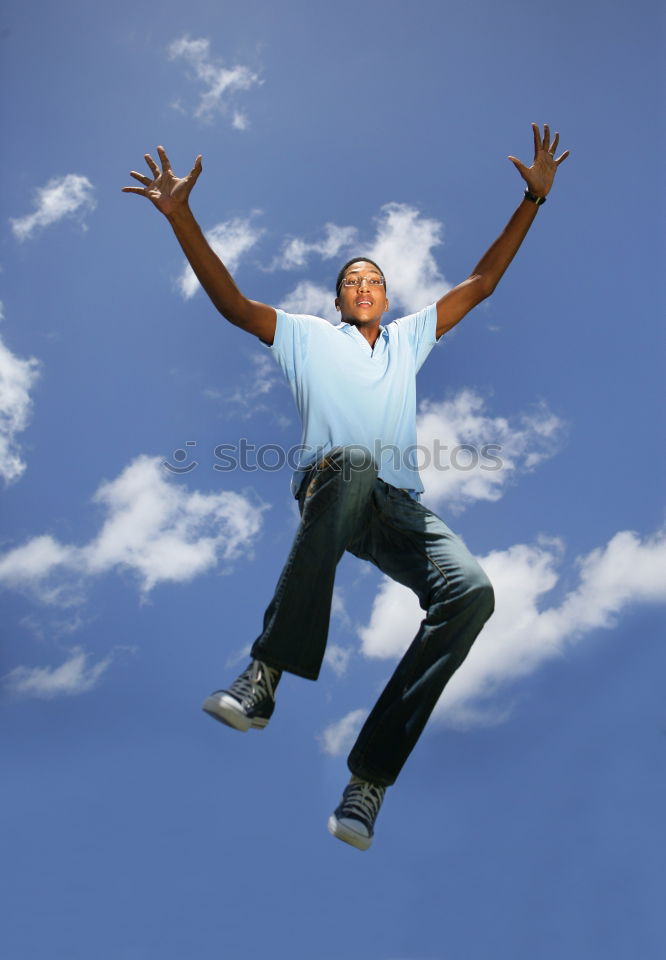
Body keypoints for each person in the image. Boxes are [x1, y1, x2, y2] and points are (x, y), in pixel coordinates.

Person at [123, 124, 569, 850]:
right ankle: (265, 674)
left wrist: (531, 200)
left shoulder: (409, 340)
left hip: (399, 508)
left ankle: (368, 783)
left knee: (473, 593)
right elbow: (235, 305)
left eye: (375, 281)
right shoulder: (307, 337)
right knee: (355, 459)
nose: (363, 287)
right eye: (351, 281)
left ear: (386, 299)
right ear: (339, 300)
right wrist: (182, 218)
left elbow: (482, 284)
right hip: (333, 484)